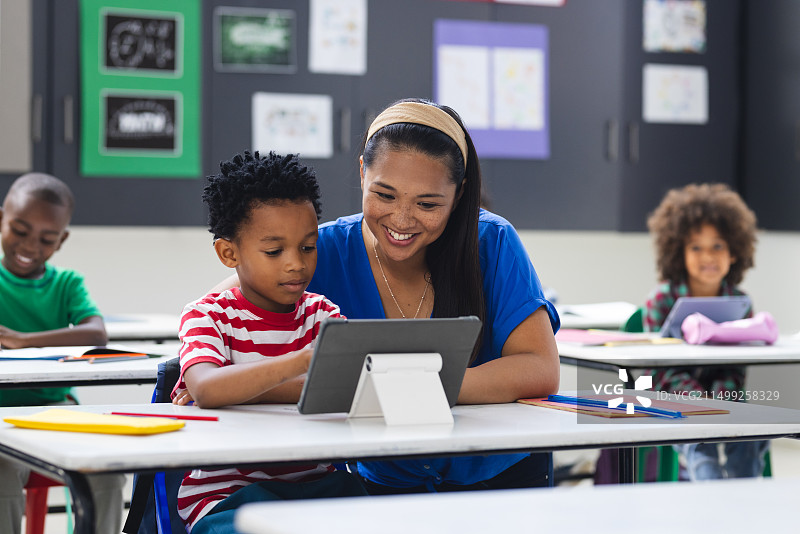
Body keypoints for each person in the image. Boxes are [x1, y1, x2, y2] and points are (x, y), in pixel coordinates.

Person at [212, 98, 561, 493]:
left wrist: (402, 389)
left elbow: (539, 368)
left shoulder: (492, 241)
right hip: (382, 481)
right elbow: (212, 315)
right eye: (385, 195)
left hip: (500, 475)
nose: (401, 220)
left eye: (428, 204)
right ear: (362, 173)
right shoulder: (318, 251)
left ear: (460, 194)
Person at [172, 151, 366, 533]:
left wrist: (243, 387)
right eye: (274, 251)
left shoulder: (322, 314)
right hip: (228, 496)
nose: (296, 263)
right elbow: (208, 389)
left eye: (308, 247)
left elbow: (351, 389)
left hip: (317, 489)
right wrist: (303, 363)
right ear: (229, 253)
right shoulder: (208, 316)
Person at [0, 173, 125, 534]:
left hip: (55, 410)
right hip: (2, 415)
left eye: (46, 239)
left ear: (62, 240)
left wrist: (22, 339)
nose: (30, 245)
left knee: (108, 469)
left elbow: (96, 332)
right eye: (20, 231)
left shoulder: (66, 283)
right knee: (2, 476)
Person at [644, 182, 768, 480]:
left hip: (726, 401)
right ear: (678, 252)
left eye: (718, 246)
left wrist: (719, 402)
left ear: (735, 252)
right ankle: (712, 508)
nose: (708, 256)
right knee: (700, 443)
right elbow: (661, 370)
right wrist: (699, 402)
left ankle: (745, 503)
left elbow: (736, 370)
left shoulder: (740, 303)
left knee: (754, 434)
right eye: (696, 247)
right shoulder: (661, 300)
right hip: (674, 403)